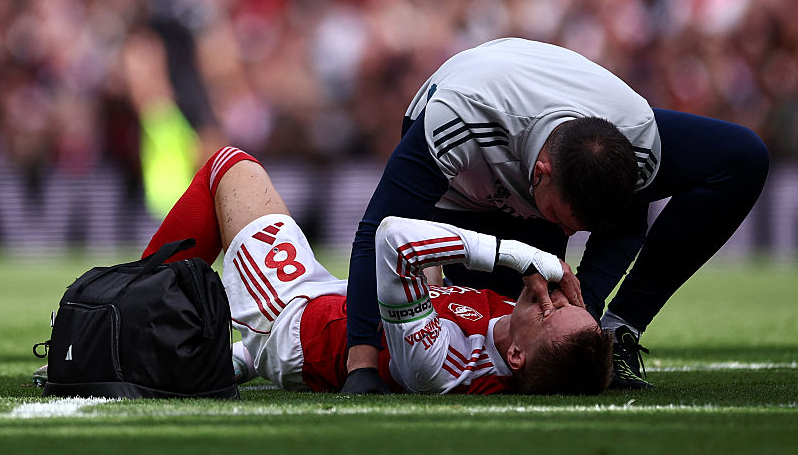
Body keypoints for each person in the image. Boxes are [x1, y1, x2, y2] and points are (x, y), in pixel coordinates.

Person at [343, 38, 770, 393]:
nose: (567, 234)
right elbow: (376, 230)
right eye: (564, 220)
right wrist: (360, 364)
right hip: (470, 186)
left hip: (557, 139)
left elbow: (625, 227)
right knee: (510, 341)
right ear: (542, 175)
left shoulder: (635, 134)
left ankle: (622, 331)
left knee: (742, 158)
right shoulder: (458, 121)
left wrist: (589, 310)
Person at [136, 145, 614, 395]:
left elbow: (390, 238)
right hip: (336, 300)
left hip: (291, 322)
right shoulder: (508, 330)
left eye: (551, 315)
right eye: (571, 305)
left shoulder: (441, 366)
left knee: (230, 166)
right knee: (428, 268)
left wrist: (515, 254)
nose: (553, 299)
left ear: (515, 359)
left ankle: (129, 311)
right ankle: (232, 359)